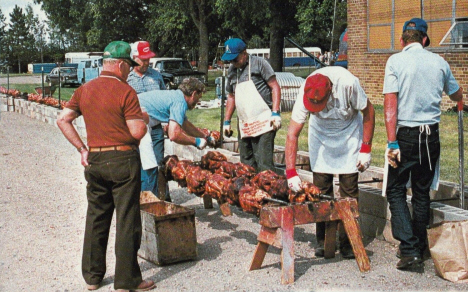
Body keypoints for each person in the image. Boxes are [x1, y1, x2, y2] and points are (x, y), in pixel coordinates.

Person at [56, 41, 155, 291]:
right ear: (120, 65)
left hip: (96, 160)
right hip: (123, 159)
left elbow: (63, 119)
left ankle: (92, 277)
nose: (129, 71)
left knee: (96, 218)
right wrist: (142, 120)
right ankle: (126, 281)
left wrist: (82, 149)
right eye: (128, 66)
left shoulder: (84, 89)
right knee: (127, 219)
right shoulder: (126, 92)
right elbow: (136, 131)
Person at [383, 18, 463, 270]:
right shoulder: (439, 62)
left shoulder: (395, 61)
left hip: (406, 133)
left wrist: (391, 142)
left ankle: (409, 250)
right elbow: (457, 94)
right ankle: (419, 246)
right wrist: (459, 102)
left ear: (403, 40)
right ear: (425, 40)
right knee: (421, 191)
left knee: (395, 189)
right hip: (431, 135)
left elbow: (389, 105)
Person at [285, 66, 375, 259]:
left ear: (331, 90)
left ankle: (348, 242)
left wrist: (366, 148)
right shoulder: (305, 90)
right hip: (321, 136)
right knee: (321, 189)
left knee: (349, 190)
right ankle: (324, 241)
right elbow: (292, 134)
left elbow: (369, 111)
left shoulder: (348, 83)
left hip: (348, 132)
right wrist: (291, 172)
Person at [221, 38, 281, 172]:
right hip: (245, 123)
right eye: (230, 60)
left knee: (264, 163)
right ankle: (251, 192)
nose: (232, 63)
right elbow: (231, 96)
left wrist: (275, 112)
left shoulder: (260, 64)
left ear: (244, 53)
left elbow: (275, 87)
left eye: (235, 59)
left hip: (264, 121)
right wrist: (227, 120)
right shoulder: (232, 71)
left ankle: (267, 192)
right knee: (246, 164)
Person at [127, 41, 168, 200]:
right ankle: (138, 198)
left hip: (156, 128)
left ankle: (158, 199)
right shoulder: (127, 78)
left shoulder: (156, 75)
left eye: (148, 59)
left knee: (157, 164)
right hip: (136, 129)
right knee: (138, 164)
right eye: (143, 59)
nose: (147, 62)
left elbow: (164, 98)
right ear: (134, 58)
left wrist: (166, 121)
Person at [137, 77, 214, 152]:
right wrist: (196, 141)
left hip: (137, 115)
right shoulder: (180, 102)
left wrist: (205, 137)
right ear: (194, 94)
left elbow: (186, 125)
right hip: (136, 117)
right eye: (199, 97)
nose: (198, 101)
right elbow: (174, 135)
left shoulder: (177, 96)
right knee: (148, 159)